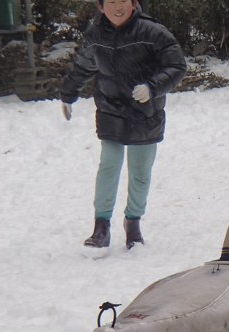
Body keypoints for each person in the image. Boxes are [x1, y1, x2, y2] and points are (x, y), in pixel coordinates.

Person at [59, 0, 187, 249]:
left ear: (133, 4)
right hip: (110, 107)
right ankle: (101, 226)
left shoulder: (152, 31)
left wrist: (152, 87)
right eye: (112, 2)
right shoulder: (95, 34)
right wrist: (67, 93)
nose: (118, 7)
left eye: (123, 2)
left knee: (140, 171)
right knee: (109, 163)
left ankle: (133, 223)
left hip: (145, 111)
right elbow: (83, 65)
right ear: (100, 7)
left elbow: (176, 65)